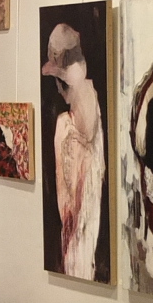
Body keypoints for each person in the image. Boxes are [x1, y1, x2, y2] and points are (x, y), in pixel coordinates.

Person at [42, 23, 107, 279]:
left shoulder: (79, 82)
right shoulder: (81, 85)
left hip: (85, 166)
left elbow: (86, 135)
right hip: (85, 159)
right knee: (77, 237)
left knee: (79, 233)